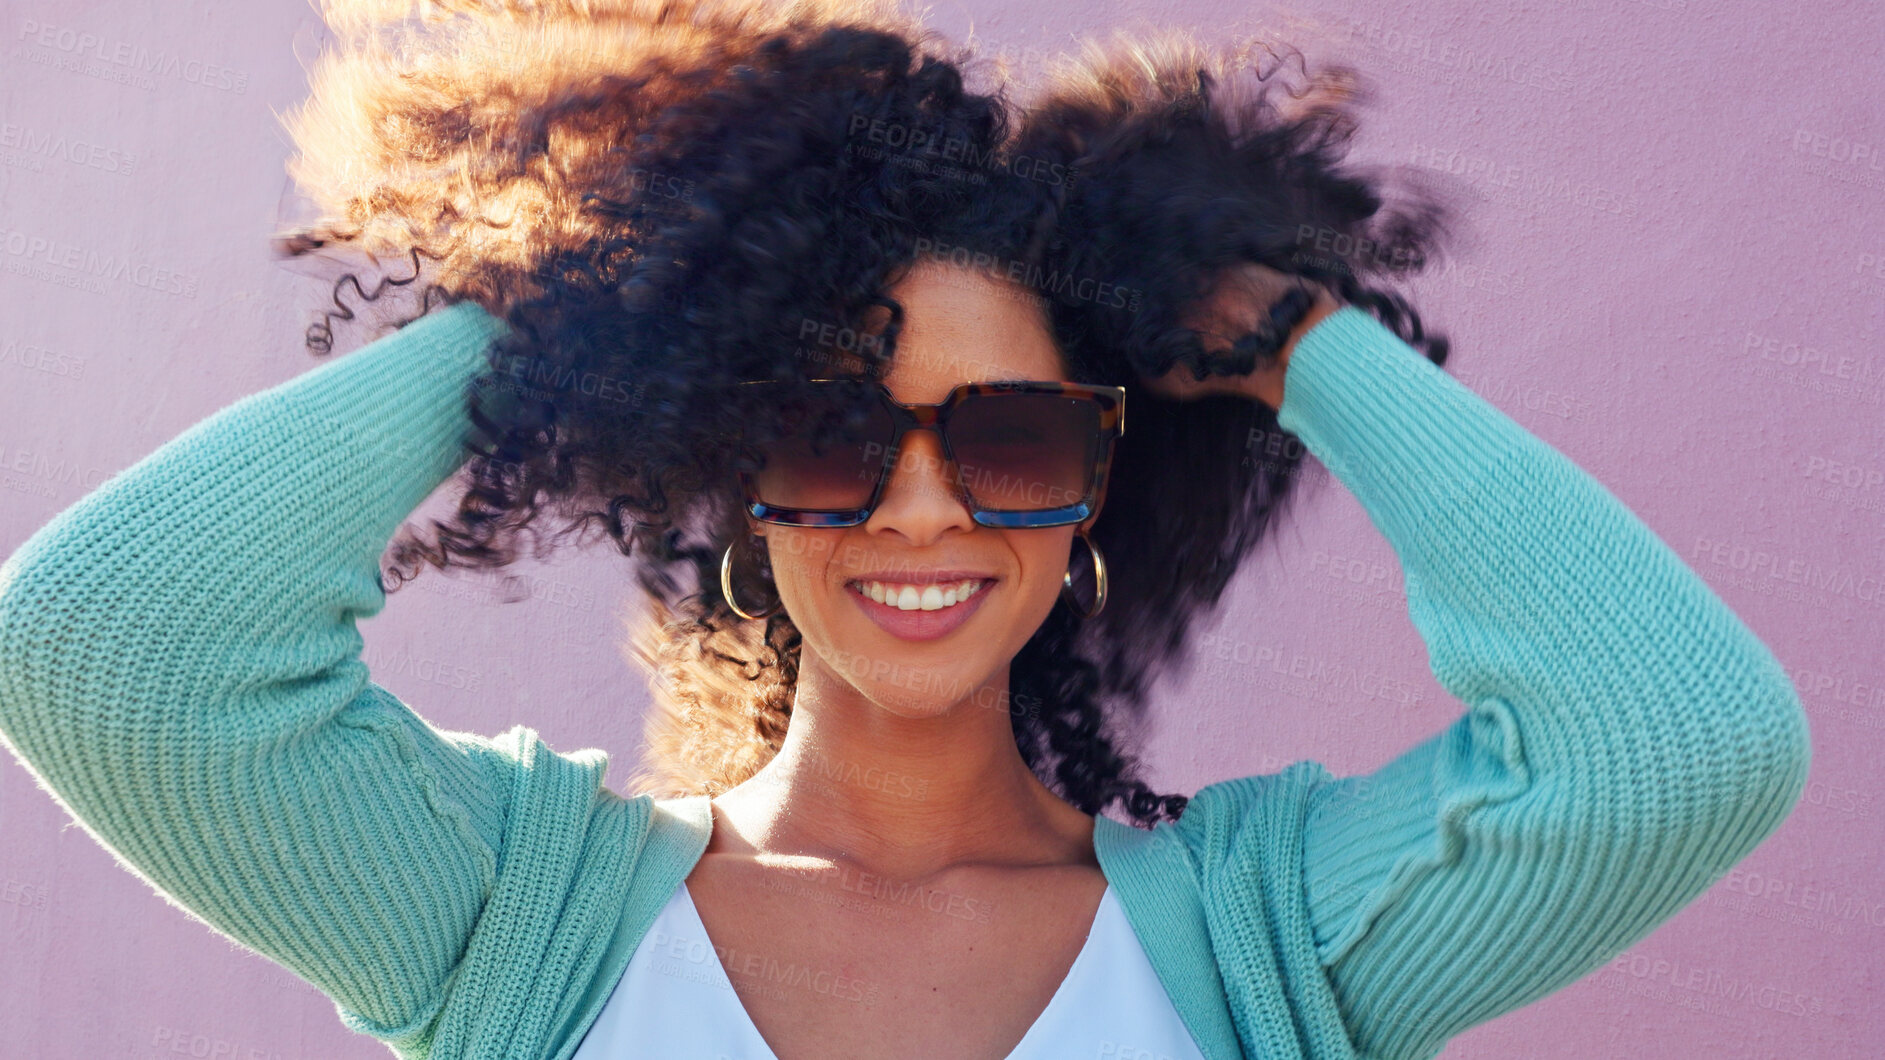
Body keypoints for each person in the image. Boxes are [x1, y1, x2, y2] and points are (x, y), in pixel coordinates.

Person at [0, 1, 1811, 1058]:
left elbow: (1676, 748)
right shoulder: (503, 916)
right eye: (827, 427)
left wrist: (1291, 342)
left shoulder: (1276, 942)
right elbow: (106, 644)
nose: (919, 505)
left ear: (1098, 472)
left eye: (1010, 432)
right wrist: (590, 310)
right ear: (730, 469)